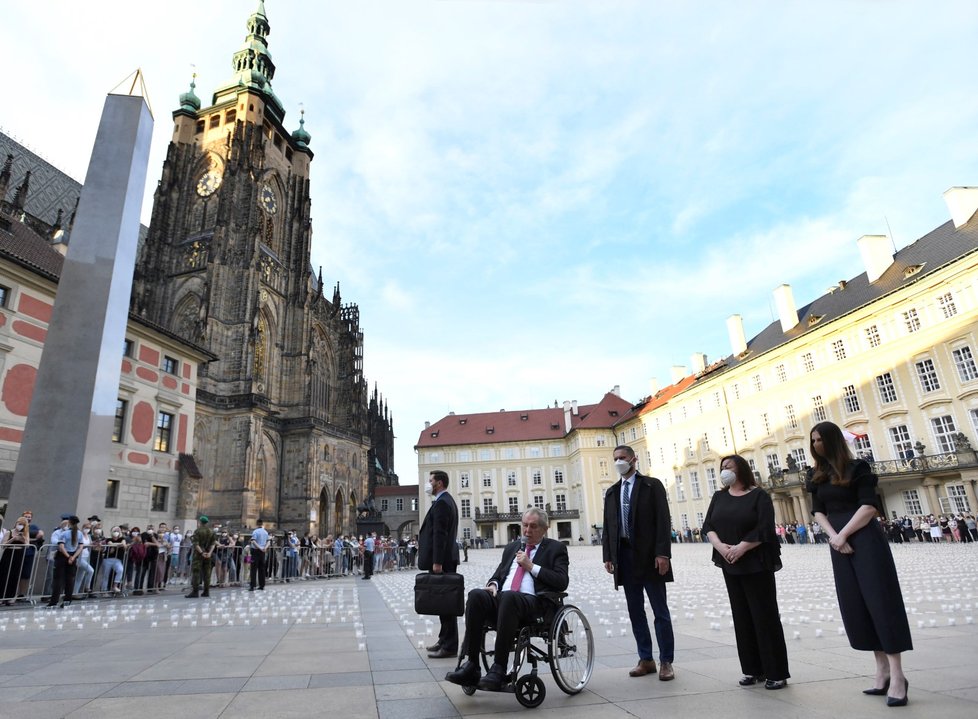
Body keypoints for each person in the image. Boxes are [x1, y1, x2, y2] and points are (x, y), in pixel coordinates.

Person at [808, 421, 912, 707]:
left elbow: (868, 507)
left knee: (880, 601)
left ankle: (898, 675)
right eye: (813, 440)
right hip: (838, 542)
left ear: (832, 440)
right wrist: (834, 538)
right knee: (857, 605)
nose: (815, 445)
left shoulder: (859, 469)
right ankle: (881, 670)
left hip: (864, 537)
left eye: (819, 439)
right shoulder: (815, 475)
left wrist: (843, 534)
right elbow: (817, 511)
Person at [446, 508, 569, 690]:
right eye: (525, 525)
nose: (527, 531)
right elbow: (498, 575)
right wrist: (494, 584)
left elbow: (561, 581)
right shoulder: (513, 547)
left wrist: (531, 566)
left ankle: (499, 668)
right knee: (476, 595)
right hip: (504, 599)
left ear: (545, 528)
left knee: (510, 597)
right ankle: (472, 665)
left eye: (533, 526)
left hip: (534, 603)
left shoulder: (555, 548)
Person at [702, 455, 789, 690]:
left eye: (728, 466)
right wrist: (721, 547)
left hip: (755, 561)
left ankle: (776, 671)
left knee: (765, 616)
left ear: (740, 469)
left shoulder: (758, 495)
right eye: (721, 468)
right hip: (729, 561)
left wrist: (742, 547)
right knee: (741, 616)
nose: (724, 471)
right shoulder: (719, 496)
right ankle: (752, 669)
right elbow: (708, 526)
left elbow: (764, 526)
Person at [602, 445, 676, 680]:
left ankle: (666, 661)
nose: (619, 462)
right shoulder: (612, 492)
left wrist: (663, 553)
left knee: (659, 610)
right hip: (624, 556)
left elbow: (663, 521)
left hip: (650, 556)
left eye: (622, 458)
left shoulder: (651, 485)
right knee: (635, 611)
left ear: (634, 459)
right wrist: (608, 555)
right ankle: (646, 659)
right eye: (615, 459)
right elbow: (609, 526)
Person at [418, 469, 460, 659]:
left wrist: (437, 562)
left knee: (447, 603)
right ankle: (444, 640)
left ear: (439, 483)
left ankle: (449, 645)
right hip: (446, 559)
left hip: (443, 560)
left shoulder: (443, 503)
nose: (429, 484)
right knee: (444, 603)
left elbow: (440, 534)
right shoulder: (445, 500)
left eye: (431, 480)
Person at [48, 515, 83, 607]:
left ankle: (54, 601)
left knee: (58, 580)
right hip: (73, 556)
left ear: (69, 523)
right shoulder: (80, 534)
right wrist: (73, 557)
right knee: (70, 580)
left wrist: (68, 557)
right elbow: (80, 547)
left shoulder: (64, 533)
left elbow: (61, 546)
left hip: (63, 557)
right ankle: (67, 600)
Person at [186, 516, 217, 598]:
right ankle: (206, 591)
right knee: (207, 573)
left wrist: (202, 552)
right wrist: (209, 553)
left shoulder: (198, 531)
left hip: (198, 555)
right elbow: (213, 544)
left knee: (196, 572)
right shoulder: (211, 531)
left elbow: (196, 544)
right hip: (208, 554)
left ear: (200, 522)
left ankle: (195, 591)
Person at [249, 519, 269, 591]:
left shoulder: (255, 531)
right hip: (263, 552)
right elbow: (268, 542)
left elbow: (253, 541)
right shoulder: (265, 532)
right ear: (262, 524)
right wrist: (265, 548)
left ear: (257, 524)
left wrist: (260, 548)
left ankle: (253, 585)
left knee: (253, 569)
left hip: (255, 551)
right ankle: (262, 585)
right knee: (262, 569)